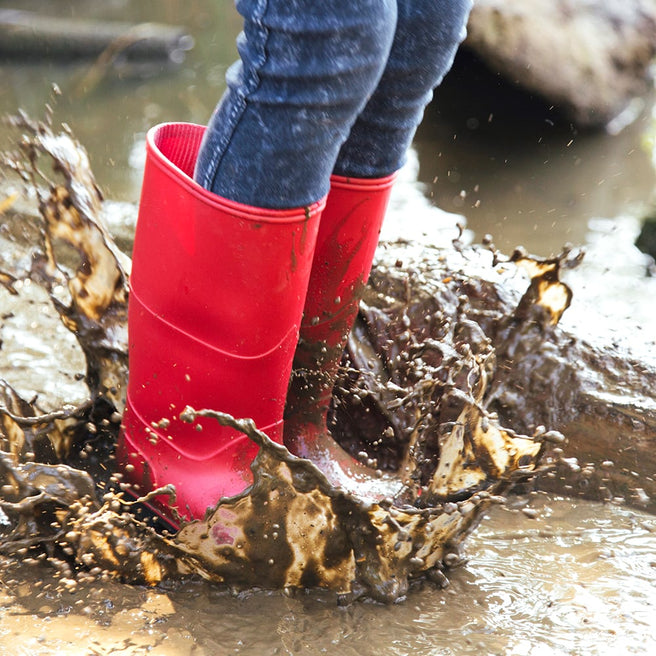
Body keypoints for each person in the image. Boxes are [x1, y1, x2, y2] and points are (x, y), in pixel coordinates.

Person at [118, 0, 473, 526]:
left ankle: (299, 426)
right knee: (333, 33)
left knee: (423, 30)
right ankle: (187, 453)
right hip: (190, 452)